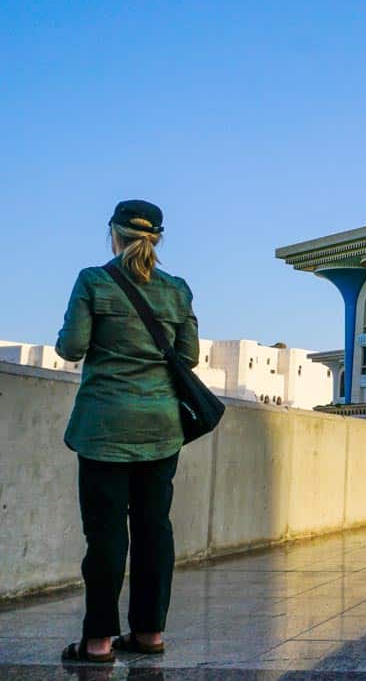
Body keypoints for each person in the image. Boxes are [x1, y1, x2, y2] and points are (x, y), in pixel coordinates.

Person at [56, 200, 199, 664]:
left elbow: (72, 347)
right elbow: (189, 356)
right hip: (161, 428)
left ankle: (97, 642)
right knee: (155, 529)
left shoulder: (93, 281)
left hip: (103, 427)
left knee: (106, 534)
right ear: (157, 240)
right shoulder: (177, 290)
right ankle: (149, 633)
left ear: (112, 235)